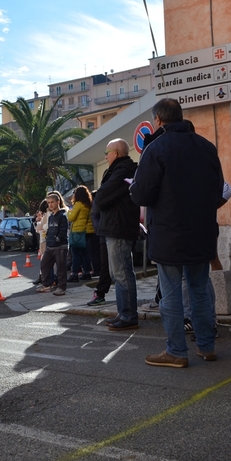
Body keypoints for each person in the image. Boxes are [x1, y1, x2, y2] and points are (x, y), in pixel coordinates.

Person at [130, 98, 224, 368]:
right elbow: (217, 190)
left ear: (158, 120)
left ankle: (176, 352)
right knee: (199, 291)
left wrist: (133, 189)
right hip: (202, 232)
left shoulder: (155, 148)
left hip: (169, 234)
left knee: (171, 294)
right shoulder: (207, 147)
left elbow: (143, 192)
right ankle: (207, 346)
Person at [94, 138, 141, 331]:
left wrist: (101, 198)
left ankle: (129, 316)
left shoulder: (123, 170)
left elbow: (101, 196)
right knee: (117, 273)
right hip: (115, 226)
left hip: (119, 227)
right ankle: (124, 313)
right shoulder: (118, 170)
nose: (105, 156)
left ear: (115, 153)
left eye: (107, 153)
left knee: (122, 273)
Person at [36, 192, 68, 296]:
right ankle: (46, 285)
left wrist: (57, 239)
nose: (50, 205)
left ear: (58, 202)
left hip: (60, 246)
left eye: (52, 202)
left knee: (61, 268)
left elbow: (63, 231)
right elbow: (49, 229)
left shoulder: (62, 216)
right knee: (44, 264)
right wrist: (48, 238)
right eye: (48, 202)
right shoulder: (50, 217)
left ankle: (61, 288)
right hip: (50, 246)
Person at [87, 190, 113, 306]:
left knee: (122, 267)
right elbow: (95, 214)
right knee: (105, 266)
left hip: (120, 232)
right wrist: (100, 229)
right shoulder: (101, 194)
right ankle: (100, 293)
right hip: (104, 234)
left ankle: (127, 305)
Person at [67, 185, 93, 282]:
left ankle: (75, 274)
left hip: (77, 231)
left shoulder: (78, 204)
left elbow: (71, 218)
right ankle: (87, 272)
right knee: (85, 254)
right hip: (87, 231)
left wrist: (68, 212)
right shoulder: (88, 205)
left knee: (75, 254)